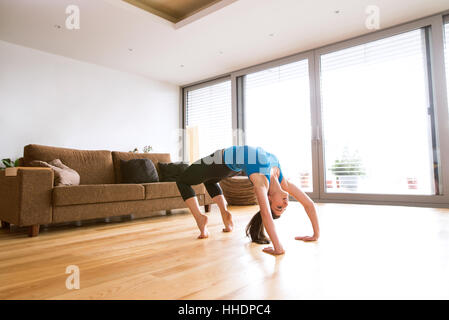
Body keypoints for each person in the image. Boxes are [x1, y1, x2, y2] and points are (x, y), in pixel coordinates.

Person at [175, 145, 320, 255]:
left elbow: (266, 214)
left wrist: (278, 247)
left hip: (220, 161)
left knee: (182, 180)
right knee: (210, 181)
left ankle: (200, 219)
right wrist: (315, 234)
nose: (286, 204)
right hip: (232, 166)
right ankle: (225, 214)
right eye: (283, 208)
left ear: (269, 199)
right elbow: (308, 203)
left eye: (279, 207)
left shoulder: (261, 184)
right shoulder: (281, 179)